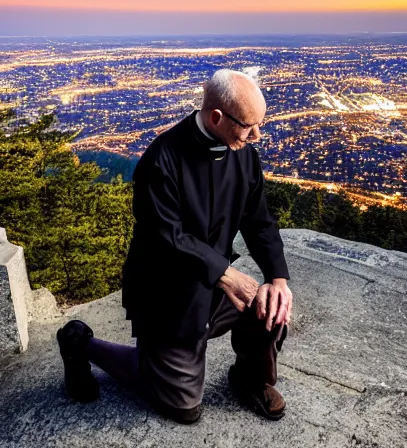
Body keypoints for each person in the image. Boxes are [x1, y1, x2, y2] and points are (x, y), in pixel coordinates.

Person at [57, 69, 293, 424]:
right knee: (182, 408)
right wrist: (227, 276)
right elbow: (166, 237)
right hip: (168, 299)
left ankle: (249, 379)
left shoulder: (242, 153)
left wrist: (278, 279)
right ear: (217, 117)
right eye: (249, 126)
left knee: (271, 309)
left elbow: (259, 221)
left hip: (214, 289)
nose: (256, 135)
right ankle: (82, 344)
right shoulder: (161, 160)